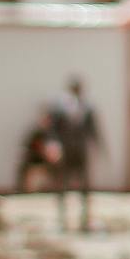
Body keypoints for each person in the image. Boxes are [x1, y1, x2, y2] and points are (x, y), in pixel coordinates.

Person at [47, 77, 99, 232]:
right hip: (65, 151)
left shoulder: (87, 107)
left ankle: (84, 221)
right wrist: (54, 146)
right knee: (62, 185)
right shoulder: (59, 107)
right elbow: (53, 130)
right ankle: (61, 221)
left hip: (80, 151)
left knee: (84, 187)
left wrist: (95, 148)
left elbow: (93, 131)